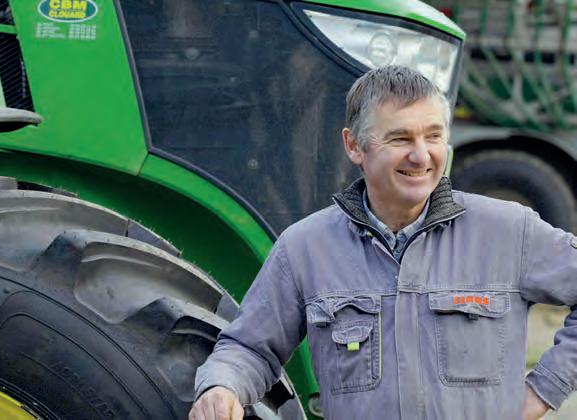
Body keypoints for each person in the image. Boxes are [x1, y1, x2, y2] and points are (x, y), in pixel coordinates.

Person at [189, 65, 577, 419]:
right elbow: (248, 348)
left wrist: (544, 389)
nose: (421, 155)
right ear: (354, 146)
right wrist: (221, 387)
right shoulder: (304, 248)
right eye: (400, 138)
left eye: (433, 136)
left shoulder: (508, 231)